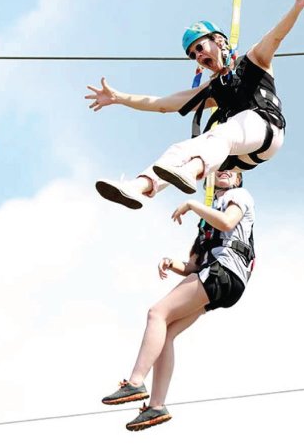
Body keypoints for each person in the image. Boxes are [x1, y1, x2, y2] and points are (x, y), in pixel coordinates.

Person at [86, 0, 304, 209]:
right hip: (237, 154)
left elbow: (275, 36)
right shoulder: (212, 89)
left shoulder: (253, 60)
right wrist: (119, 98)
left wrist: (296, 7)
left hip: (266, 127)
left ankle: (191, 172)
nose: (198, 56)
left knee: (221, 133)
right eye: (193, 55)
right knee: (179, 149)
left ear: (219, 41)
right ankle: (137, 187)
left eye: (200, 47)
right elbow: (162, 104)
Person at [101, 170, 256, 431]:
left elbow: (229, 223)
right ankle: (156, 406)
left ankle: (136, 381)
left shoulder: (238, 195)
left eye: (233, 170)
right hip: (222, 279)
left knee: (156, 313)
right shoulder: (206, 222)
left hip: (224, 273)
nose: (227, 171)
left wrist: (192, 204)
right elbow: (194, 266)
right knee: (166, 334)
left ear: (239, 179)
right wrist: (172, 263)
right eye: (221, 167)